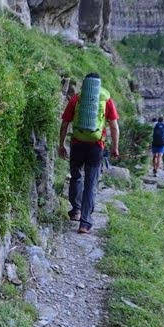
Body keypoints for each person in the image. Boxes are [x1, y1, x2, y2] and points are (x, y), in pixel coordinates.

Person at [58, 73, 120, 234]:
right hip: (96, 146)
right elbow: (114, 126)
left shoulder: (76, 99)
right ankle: (85, 223)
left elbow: (65, 123)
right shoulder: (106, 100)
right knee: (91, 182)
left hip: (77, 143)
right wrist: (115, 147)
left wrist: (62, 144)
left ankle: (76, 210)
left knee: (76, 176)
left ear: (85, 85)